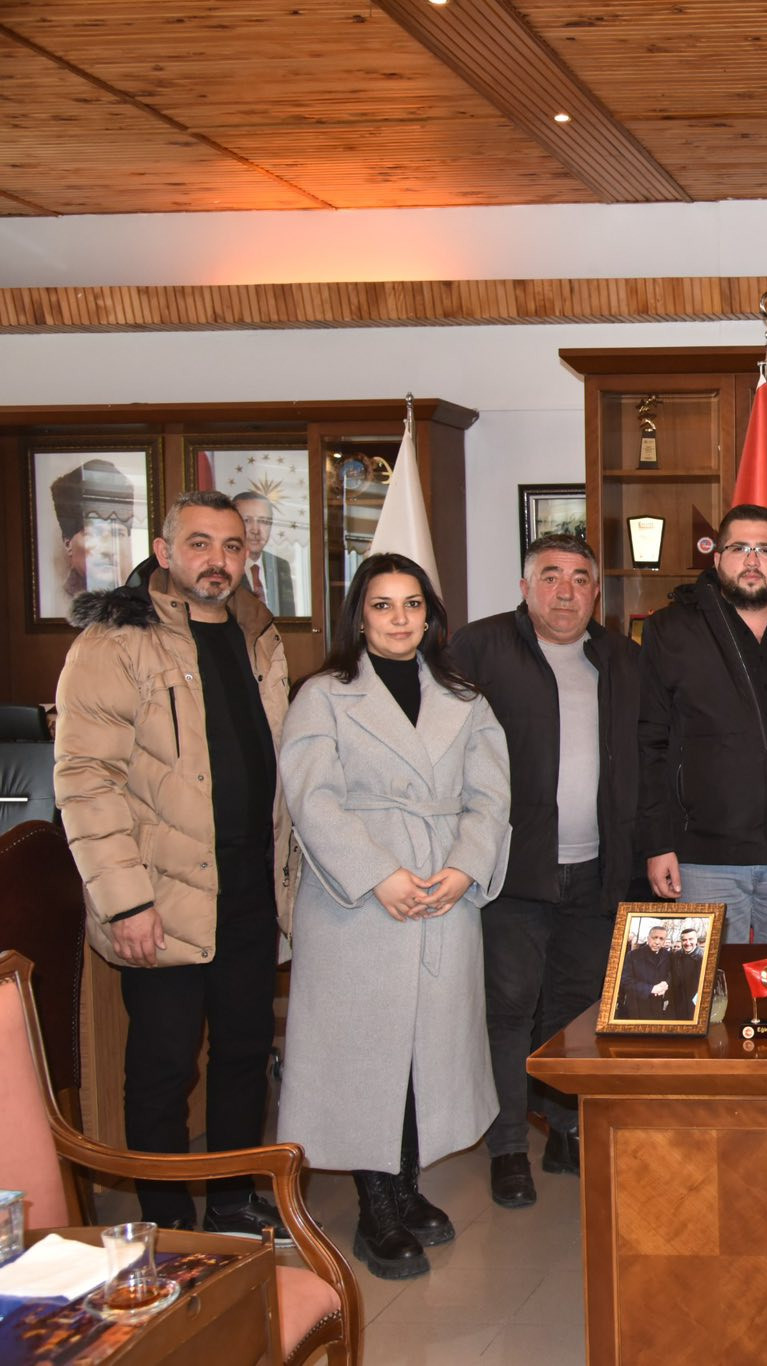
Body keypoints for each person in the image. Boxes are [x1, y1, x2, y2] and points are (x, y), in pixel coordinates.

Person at [53, 490, 293, 1240]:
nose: (217, 561)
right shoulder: (115, 642)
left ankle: (230, 1202)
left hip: (250, 889)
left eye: (231, 546)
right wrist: (125, 903)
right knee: (163, 1066)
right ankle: (164, 1221)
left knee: (245, 1052)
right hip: (159, 897)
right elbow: (85, 780)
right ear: (163, 552)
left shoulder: (260, 635)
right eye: (199, 544)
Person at [277, 553, 512, 1281]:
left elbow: (492, 796)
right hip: (357, 899)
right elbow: (312, 799)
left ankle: (407, 1186)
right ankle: (375, 1204)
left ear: (431, 616)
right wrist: (378, 875)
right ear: (359, 616)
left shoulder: (465, 698)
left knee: (425, 1052)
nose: (400, 618)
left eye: (413, 604)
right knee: (364, 1052)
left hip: (443, 891)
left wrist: (464, 868)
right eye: (382, 605)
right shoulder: (322, 696)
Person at [450, 533, 639, 1209]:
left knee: (577, 1011)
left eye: (580, 579)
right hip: (513, 872)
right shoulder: (479, 649)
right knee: (508, 1010)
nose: (566, 592)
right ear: (525, 587)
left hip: (596, 871)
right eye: (551, 576)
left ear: (596, 592)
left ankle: (565, 1129)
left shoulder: (621, 657)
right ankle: (507, 1147)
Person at [639, 505, 767, 941]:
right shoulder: (670, 629)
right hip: (702, 860)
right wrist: (657, 843)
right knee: (711, 985)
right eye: (740, 548)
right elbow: (649, 742)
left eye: (765, 550)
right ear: (718, 557)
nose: (752, 560)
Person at [49, 457, 141, 614]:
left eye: (118, 534)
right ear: (68, 543)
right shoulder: (60, 601)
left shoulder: (136, 601)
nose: (108, 549)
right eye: (93, 534)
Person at [231, 491, 296, 617]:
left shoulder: (280, 565)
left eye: (264, 521)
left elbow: (288, 617)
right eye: (247, 520)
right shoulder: (225, 565)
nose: (256, 530)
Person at [616, 922, 677, 1020]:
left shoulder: (669, 955)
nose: (657, 942)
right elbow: (625, 981)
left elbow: (670, 975)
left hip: (657, 1007)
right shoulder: (633, 955)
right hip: (636, 1007)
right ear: (648, 938)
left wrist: (666, 984)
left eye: (661, 939)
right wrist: (651, 989)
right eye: (654, 937)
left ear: (664, 941)